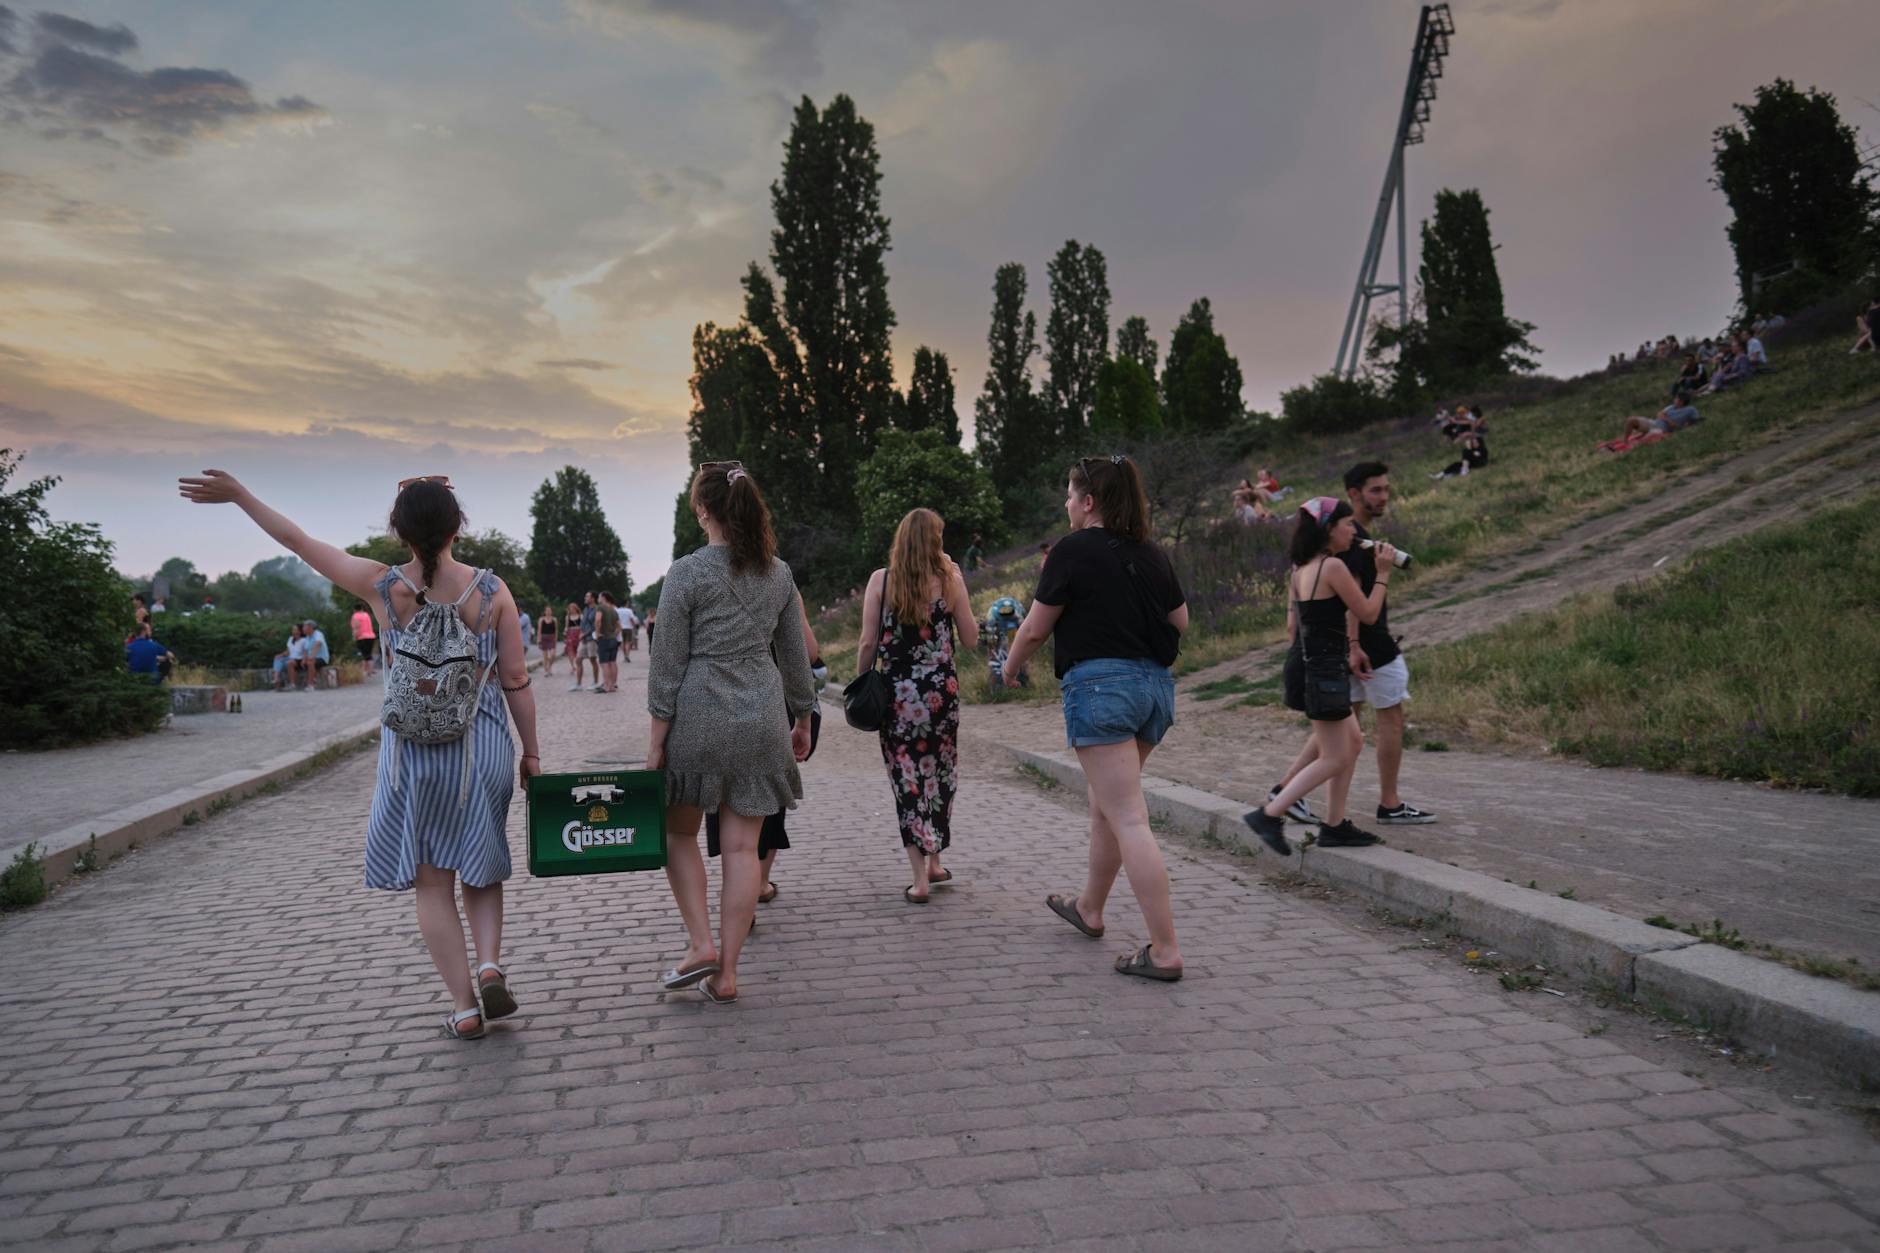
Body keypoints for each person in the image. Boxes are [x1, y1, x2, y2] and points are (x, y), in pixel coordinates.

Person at [179, 470, 539, 1041]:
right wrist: (532, 756)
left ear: (399, 530)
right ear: (458, 526)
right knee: (482, 863)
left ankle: (466, 1008)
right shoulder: (493, 591)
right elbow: (516, 679)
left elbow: (298, 542)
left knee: (432, 882)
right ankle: (491, 962)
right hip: (483, 746)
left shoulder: (381, 585)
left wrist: (242, 495)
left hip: (414, 755)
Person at [1000, 455, 1189, 982]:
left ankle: (1166, 950)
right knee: (1108, 804)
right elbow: (1181, 620)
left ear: (1088, 502)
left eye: (1069, 494)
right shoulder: (1150, 552)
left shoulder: (1071, 550)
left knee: (1128, 815)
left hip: (1102, 689)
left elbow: (1036, 628)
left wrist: (1010, 667)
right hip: (1154, 690)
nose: (1065, 504)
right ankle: (1090, 907)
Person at [646, 461, 816, 1004]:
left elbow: (666, 665)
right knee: (744, 850)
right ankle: (729, 974)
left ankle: (700, 943)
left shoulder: (687, 573)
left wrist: (656, 739)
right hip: (762, 718)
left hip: (697, 718)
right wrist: (803, 717)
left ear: (702, 510)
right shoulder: (779, 574)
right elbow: (796, 658)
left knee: (678, 833)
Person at [1244, 496, 1396, 856]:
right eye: (1347, 525)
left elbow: (1293, 626)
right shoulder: (1332, 568)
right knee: (1335, 756)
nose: (1352, 532)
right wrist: (1384, 573)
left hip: (1311, 664)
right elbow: (1369, 613)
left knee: (1352, 743)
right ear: (1329, 529)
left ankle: (1334, 825)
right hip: (1325, 670)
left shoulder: (1300, 569)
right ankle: (1269, 813)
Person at [857, 508, 978, 903]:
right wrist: (959, 582)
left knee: (907, 778)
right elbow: (972, 639)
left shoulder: (882, 580)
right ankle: (936, 860)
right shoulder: (949, 580)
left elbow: (866, 643)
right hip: (941, 693)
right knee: (939, 773)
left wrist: (862, 682)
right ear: (935, 541)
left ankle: (920, 880)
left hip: (897, 696)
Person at [705, 597, 823, 910]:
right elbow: (808, 653)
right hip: (772, 705)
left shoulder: (704, 580)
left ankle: (735, 885)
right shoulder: (779, 583)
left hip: (719, 701)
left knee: (724, 797)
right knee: (770, 796)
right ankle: (758, 883)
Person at [1342, 463, 1434, 826]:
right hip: (1370, 644)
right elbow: (1350, 597)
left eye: (1386, 489)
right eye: (1376, 490)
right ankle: (1390, 803)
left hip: (1355, 645)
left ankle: (1289, 793)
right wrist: (1353, 645)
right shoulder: (1354, 538)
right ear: (1354, 493)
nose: (1384, 497)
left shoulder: (1348, 533)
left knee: (1343, 727)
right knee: (1389, 718)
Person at [1619, 392, 1701, 440]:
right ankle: (1625, 441)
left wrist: (1678, 426)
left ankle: (1630, 445)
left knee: (1645, 439)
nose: (1674, 400)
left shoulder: (1690, 409)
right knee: (1631, 420)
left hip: (1663, 430)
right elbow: (1659, 414)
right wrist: (1667, 420)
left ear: (1681, 402)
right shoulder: (1671, 407)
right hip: (1654, 423)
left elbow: (1695, 420)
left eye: (1676, 399)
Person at [594, 591, 621, 693]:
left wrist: (597, 634)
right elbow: (619, 627)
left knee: (604, 663)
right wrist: (614, 634)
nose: (598, 599)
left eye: (599, 597)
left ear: (603, 598)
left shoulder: (601, 608)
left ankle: (606, 686)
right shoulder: (613, 610)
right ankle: (613, 685)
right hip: (613, 639)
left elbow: (598, 620)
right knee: (613, 662)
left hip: (604, 638)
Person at [301, 618, 332, 689]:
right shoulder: (307, 637)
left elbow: (317, 644)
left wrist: (311, 657)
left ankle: (311, 685)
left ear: (310, 627)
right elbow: (305, 650)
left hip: (322, 659)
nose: (303, 629)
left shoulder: (318, 634)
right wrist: (304, 659)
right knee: (303, 663)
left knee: (310, 663)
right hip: (312, 658)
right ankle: (314, 678)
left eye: (304, 627)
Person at [350, 601, 378, 674]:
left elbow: (357, 627)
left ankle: (365, 671)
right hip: (371, 636)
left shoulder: (356, 616)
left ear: (354, 609)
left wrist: (354, 636)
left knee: (363, 655)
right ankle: (369, 670)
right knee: (368, 654)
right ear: (362, 608)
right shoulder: (366, 615)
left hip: (362, 637)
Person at [561, 600, 583, 690]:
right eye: (570, 608)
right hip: (570, 633)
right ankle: (573, 666)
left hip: (578, 633)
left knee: (577, 650)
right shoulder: (568, 617)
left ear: (576, 608)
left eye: (573, 608)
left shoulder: (581, 616)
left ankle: (577, 664)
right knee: (570, 650)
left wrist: (582, 633)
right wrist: (565, 631)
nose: (571, 610)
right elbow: (567, 626)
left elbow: (582, 625)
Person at [537, 602, 558, 676]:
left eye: (550, 610)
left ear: (551, 611)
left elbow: (556, 630)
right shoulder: (541, 619)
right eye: (547, 610)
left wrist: (556, 639)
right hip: (544, 638)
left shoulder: (554, 619)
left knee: (553, 655)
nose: (548, 612)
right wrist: (538, 639)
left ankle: (549, 667)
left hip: (551, 638)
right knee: (545, 656)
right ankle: (546, 670)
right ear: (545, 612)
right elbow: (539, 630)